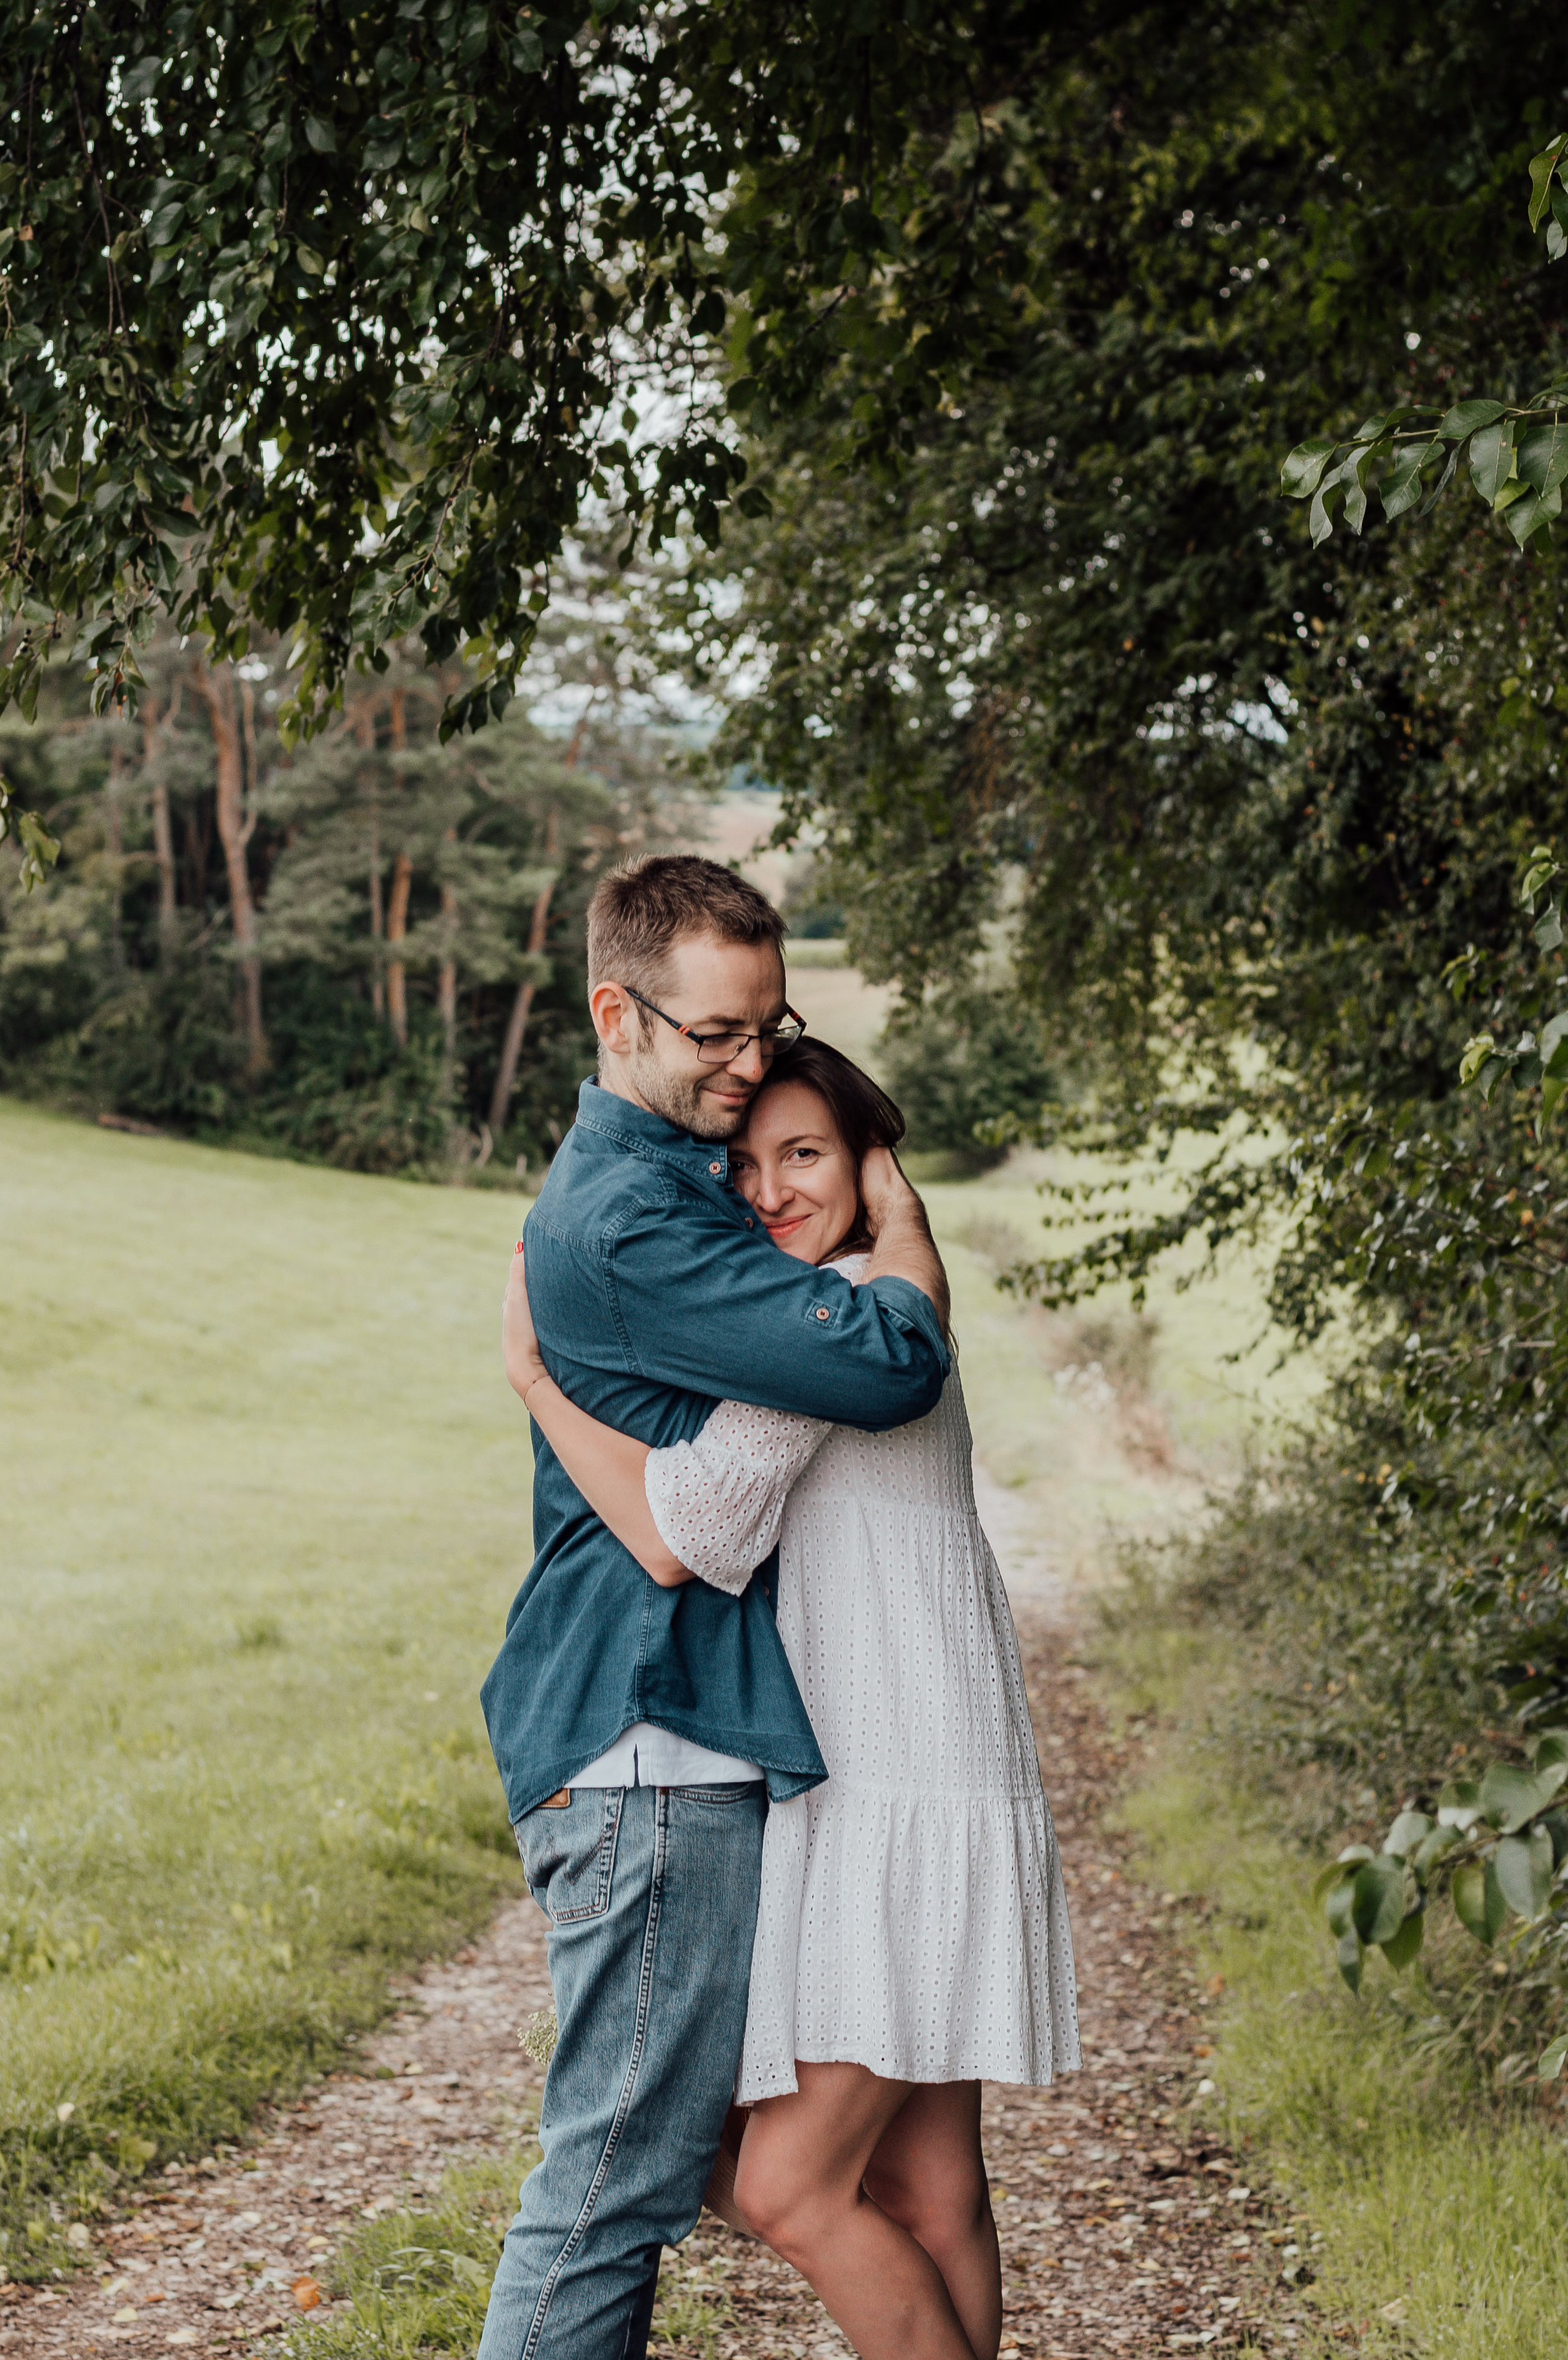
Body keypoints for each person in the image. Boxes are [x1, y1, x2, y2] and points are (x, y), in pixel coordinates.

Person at [502, 1038, 1079, 2360]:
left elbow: (681, 1527)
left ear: (870, 1161)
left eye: (803, 1154)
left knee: (778, 2184)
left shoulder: (832, 1316)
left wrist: (536, 1382)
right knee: (928, 2192)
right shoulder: (880, 1298)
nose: (766, 1190)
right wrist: (906, 1237)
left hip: (891, 1784)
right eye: (743, 1163)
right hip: (924, 1767)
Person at [477, 855, 951, 2360]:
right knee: (612, 2189)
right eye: (715, 1038)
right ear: (618, 1014)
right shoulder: (636, 1223)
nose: (750, 1069)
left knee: (646, 2177)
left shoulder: (676, 1186)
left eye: (770, 1028)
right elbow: (884, 1365)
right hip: (647, 1737)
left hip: (662, 1736)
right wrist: (899, 1232)